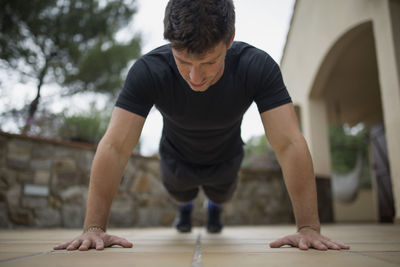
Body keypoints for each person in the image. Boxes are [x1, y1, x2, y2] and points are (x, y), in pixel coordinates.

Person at [54, 0, 349, 251]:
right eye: (183, 61)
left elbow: (289, 143)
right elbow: (115, 146)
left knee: (221, 195)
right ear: (169, 42)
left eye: (209, 62)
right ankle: (185, 208)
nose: (196, 77)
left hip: (227, 157)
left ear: (230, 39)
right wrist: (93, 226)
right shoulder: (148, 71)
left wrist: (309, 227)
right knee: (182, 193)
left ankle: (213, 207)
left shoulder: (256, 67)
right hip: (176, 157)